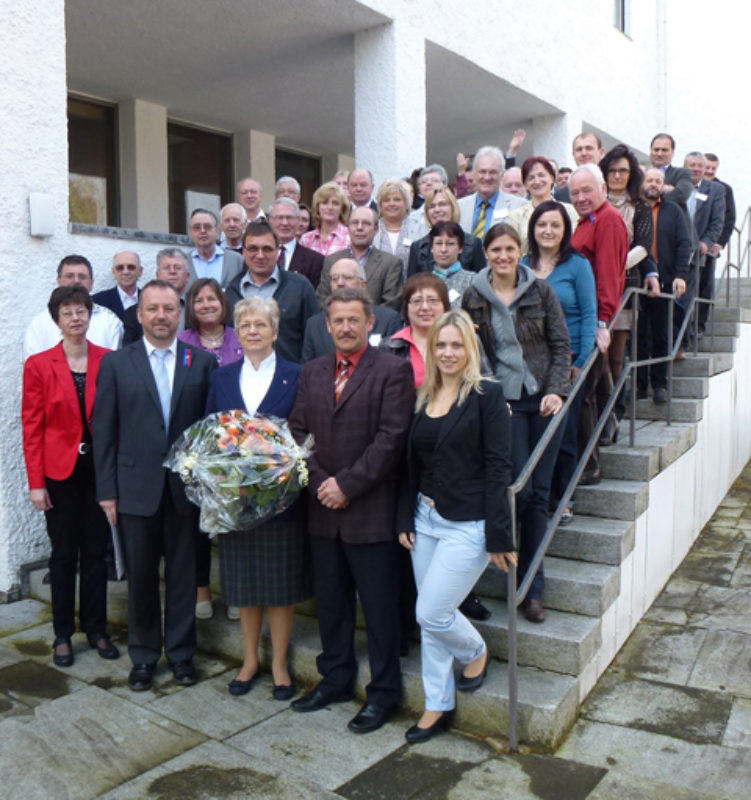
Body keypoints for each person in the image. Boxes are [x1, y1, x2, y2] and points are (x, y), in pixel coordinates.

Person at [288, 287, 415, 735]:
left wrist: (347, 485)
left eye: (353, 320)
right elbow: (297, 433)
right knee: (332, 606)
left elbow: (391, 439)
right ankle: (336, 678)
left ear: (370, 324)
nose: (345, 327)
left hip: (371, 511)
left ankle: (383, 694)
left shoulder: (394, 371)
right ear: (327, 326)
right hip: (323, 509)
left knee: (379, 611)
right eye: (337, 320)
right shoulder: (312, 371)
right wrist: (324, 482)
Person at [397, 309, 515, 743]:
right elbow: (408, 466)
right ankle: (436, 704)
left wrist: (501, 535)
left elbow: (499, 468)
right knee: (431, 616)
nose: (448, 353)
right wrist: (403, 517)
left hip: (469, 524)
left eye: (456, 345)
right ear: (431, 350)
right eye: (441, 345)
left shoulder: (487, 395)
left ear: (470, 349)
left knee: (431, 612)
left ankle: (475, 650)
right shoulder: (422, 396)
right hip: (423, 519)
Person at [92, 280, 216, 692]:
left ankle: (181, 655)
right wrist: (106, 490)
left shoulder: (200, 363)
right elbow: (103, 430)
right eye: (153, 309)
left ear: (179, 314)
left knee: (184, 577)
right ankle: (143, 657)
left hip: (184, 491)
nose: (161, 316)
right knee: (141, 578)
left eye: (168, 308)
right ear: (140, 314)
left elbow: (207, 432)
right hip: (134, 489)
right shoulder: (116, 364)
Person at [463, 224, 570, 623]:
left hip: (543, 399)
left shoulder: (540, 290)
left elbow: (560, 344)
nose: (503, 256)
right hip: (504, 404)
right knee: (519, 492)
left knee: (539, 493)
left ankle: (532, 588)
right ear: (486, 253)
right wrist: (491, 396)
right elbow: (473, 352)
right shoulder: (473, 296)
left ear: (519, 251)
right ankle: (508, 563)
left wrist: (557, 389)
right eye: (495, 250)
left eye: (510, 249)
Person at [205, 297, 311, 699]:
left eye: (260, 325)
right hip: (238, 499)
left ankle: (280, 663)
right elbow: (211, 432)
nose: (252, 331)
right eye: (245, 324)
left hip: (281, 497)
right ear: (238, 332)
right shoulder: (222, 377)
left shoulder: (295, 375)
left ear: (275, 331)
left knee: (280, 586)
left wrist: (276, 467)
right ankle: (250, 659)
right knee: (246, 584)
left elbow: (302, 431)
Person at [22, 286, 119, 668]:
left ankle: (96, 629)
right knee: (63, 555)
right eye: (68, 312)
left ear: (90, 315)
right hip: (58, 474)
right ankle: (62, 634)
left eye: (81, 310)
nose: (76, 317)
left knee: (96, 553)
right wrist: (35, 483)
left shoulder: (109, 360)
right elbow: (32, 427)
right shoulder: (39, 365)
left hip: (99, 472)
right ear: (56, 319)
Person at [522, 200, 597, 524]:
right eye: (542, 225)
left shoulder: (577, 264)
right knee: (533, 432)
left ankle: (563, 497)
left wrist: (581, 360)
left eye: (555, 225)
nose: (548, 231)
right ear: (533, 230)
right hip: (528, 365)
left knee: (563, 433)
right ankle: (534, 496)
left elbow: (590, 312)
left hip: (568, 362)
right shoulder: (522, 264)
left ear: (565, 230)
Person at [178, 277, 244, 621]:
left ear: (223, 303)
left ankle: (235, 592)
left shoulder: (239, 338)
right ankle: (201, 590)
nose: (205, 305)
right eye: (198, 300)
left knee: (232, 522)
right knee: (198, 522)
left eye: (211, 299)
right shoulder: (182, 342)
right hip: (195, 445)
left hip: (236, 447)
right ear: (191, 307)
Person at [568, 165, 629, 485]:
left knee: (584, 395)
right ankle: (610, 427)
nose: (579, 198)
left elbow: (608, 276)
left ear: (603, 188)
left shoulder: (608, 220)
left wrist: (603, 322)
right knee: (595, 387)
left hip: (592, 321)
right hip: (582, 319)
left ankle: (589, 465)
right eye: (574, 192)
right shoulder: (587, 220)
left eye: (586, 191)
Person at [600, 144, 657, 420]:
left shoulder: (640, 208)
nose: (617, 175)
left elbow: (644, 246)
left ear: (631, 174)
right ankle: (600, 409)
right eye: (612, 170)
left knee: (615, 355)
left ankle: (615, 412)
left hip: (624, 286)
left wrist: (613, 266)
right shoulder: (595, 203)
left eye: (623, 170)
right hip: (594, 286)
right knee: (597, 355)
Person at [225, 222, 318, 364]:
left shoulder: (300, 287)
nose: (260, 255)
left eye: (267, 249)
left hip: (291, 380)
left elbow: (314, 339)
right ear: (243, 252)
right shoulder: (231, 292)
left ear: (278, 252)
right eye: (253, 249)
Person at [637, 169, 690, 400]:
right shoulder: (636, 209)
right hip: (637, 281)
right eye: (650, 180)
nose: (654, 184)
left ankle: (660, 385)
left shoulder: (673, 211)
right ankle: (639, 387)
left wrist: (681, 275)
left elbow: (684, 243)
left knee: (661, 335)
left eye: (658, 181)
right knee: (638, 337)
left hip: (666, 280)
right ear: (642, 183)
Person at [24, 255, 123, 359]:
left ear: (91, 283)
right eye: (69, 276)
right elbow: (33, 365)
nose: (76, 281)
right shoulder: (39, 324)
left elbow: (117, 365)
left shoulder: (110, 321)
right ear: (58, 281)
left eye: (82, 276)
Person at [302, 258, 401, 361]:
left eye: (347, 277)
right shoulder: (314, 324)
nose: (340, 283)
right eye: (334, 279)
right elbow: (308, 370)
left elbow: (392, 365)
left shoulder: (388, 319)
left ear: (363, 285)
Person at [683, 151, 726, 338]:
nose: (696, 169)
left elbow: (718, 222)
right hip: (673, 251)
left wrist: (706, 243)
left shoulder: (715, 190)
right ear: (685, 167)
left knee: (690, 296)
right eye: (692, 165)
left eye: (700, 165)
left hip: (697, 252)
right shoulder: (676, 187)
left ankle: (684, 337)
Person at [381, 273, 450, 388]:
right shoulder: (389, 346)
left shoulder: (464, 340)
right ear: (406, 308)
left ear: (445, 306)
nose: (425, 307)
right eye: (417, 301)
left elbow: (483, 382)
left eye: (433, 300)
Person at [407, 188, 485, 276]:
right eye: (431, 206)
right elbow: (411, 285)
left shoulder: (473, 244)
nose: (437, 210)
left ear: (453, 208)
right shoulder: (417, 247)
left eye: (442, 204)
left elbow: (480, 282)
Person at [508, 157, 578, 253]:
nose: (537, 181)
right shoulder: (516, 216)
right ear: (525, 184)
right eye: (531, 178)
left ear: (552, 178)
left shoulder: (570, 211)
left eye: (541, 175)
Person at [122, 248, 191, 345]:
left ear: (187, 276)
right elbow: (129, 353)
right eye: (167, 267)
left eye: (178, 268)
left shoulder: (196, 310)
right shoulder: (132, 314)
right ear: (157, 275)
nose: (172, 271)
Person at [458, 146, 526, 239]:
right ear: (474, 174)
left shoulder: (520, 207)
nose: (487, 177)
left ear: (501, 175)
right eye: (482, 171)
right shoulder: (459, 207)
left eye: (493, 172)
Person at [269, 198, 324, 288]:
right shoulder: (256, 255)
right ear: (270, 220)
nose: (285, 223)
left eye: (290, 218)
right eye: (279, 217)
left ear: (298, 221)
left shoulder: (315, 261)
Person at [187, 208, 244, 289]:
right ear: (190, 232)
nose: (202, 231)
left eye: (207, 226)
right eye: (197, 227)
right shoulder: (183, 262)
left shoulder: (237, 260)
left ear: (217, 231)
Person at [375, 178, 421, 277]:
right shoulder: (372, 229)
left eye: (397, 199)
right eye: (387, 200)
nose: (392, 204)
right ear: (380, 204)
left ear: (406, 203)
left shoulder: (420, 229)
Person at [425, 222, 475, 307]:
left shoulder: (472, 281)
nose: (443, 249)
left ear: (460, 248)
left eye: (450, 244)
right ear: (431, 248)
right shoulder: (423, 282)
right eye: (439, 243)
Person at [299, 181, 351, 256]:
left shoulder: (350, 237)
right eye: (325, 202)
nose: (330, 207)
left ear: (342, 209)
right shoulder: (306, 239)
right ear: (317, 207)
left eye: (335, 203)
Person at [92, 250, 143, 321]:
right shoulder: (97, 302)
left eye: (131, 267)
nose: (125, 272)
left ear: (140, 271)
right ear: (113, 272)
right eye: (120, 268)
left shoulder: (150, 300)